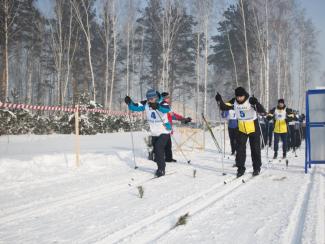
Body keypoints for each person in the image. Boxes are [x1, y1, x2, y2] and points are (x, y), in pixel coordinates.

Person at [215, 87, 266, 177]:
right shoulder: (234, 101)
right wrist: (219, 100)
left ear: (244, 95)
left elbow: (262, 111)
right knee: (240, 150)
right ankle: (240, 168)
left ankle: (256, 168)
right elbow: (224, 107)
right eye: (237, 97)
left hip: (253, 127)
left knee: (255, 149)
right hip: (242, 128)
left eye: (241, 97)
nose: (239, 99)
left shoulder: (250, 100)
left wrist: (256, 103)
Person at [125, 89, 171, 177]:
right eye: (148, 98)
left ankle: (161, 169)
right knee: (156, 152)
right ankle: (161, 164)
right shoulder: (145, 104)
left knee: (158, 148)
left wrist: (157, 106)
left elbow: (166, 109)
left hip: (164, 131)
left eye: (151, 98)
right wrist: (129, 102)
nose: (149, 100)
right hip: (154, 132)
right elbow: (134, 107)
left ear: (156, 97)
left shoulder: (162, 103)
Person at [161, 92, 192, 162]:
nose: (169, 99)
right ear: (164, 98)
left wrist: (184, 119)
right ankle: (159, 158)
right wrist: (183, 119)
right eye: (167, 98)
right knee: (162, 145)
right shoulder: (162, 106)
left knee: (168, 144)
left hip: (167, 129)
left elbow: (173, 115)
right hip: (163, 129)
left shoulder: (166, 106)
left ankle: (168, 158)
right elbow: (173, 116)